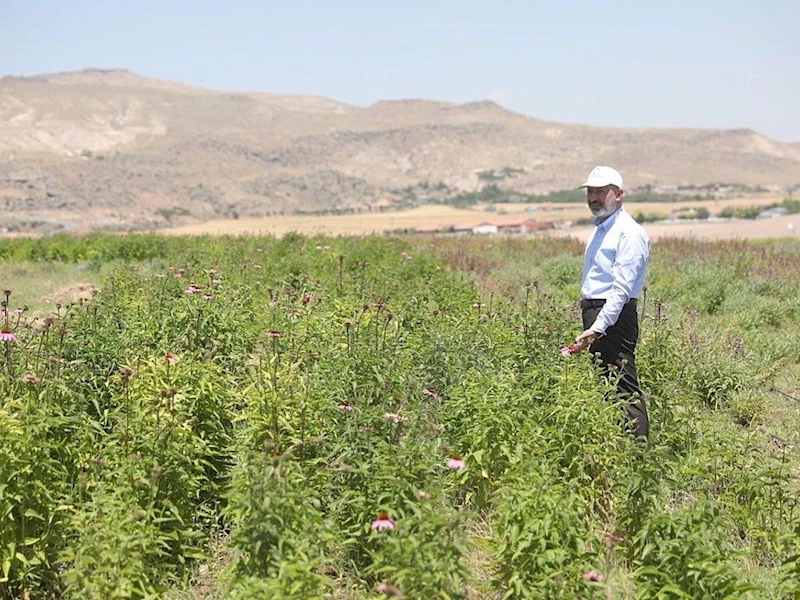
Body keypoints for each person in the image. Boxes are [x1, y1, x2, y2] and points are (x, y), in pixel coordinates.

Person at [574, 166, 650, 439]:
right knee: (608, 387)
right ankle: (620, 449)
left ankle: (639, 459)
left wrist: (599, 327)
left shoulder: (628, 233)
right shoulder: (602, 230)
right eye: (590, 192)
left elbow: (621, 289)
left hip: (613, 316)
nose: (594, 198)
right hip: (600, 313)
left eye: (601, 192)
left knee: (624, 388)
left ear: (618, 195)